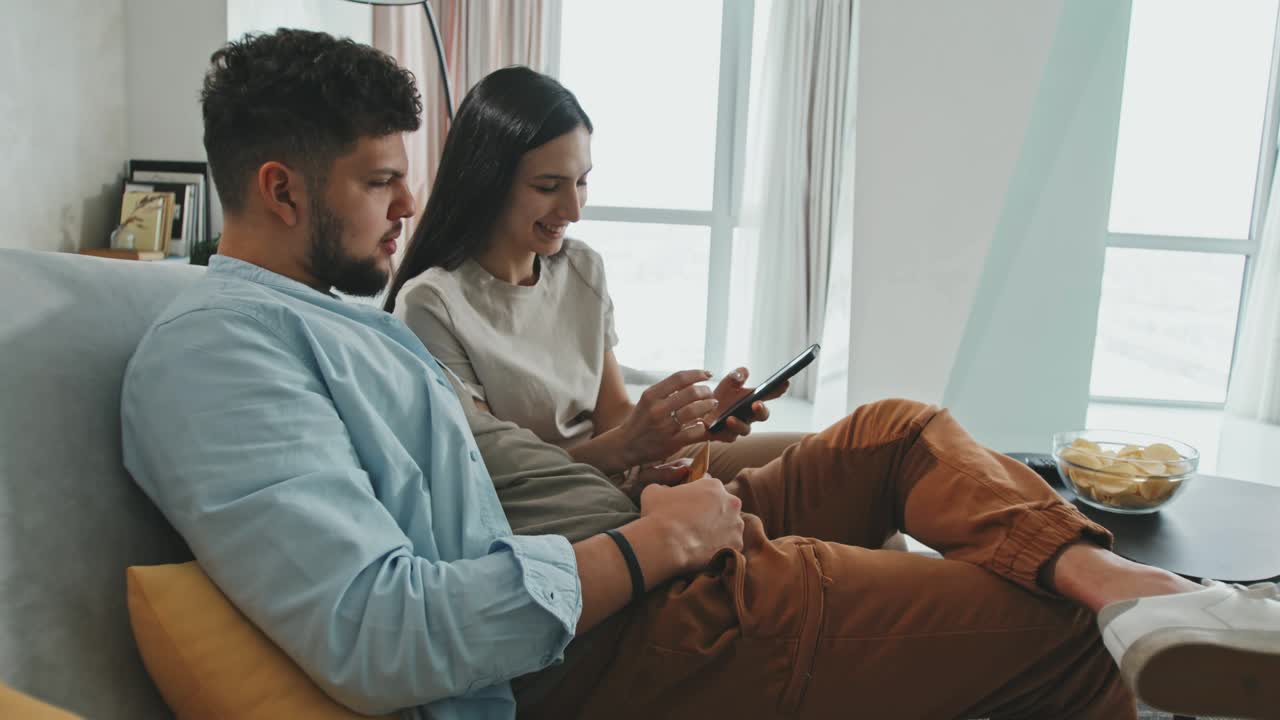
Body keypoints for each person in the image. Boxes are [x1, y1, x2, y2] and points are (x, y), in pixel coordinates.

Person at [122, 29, 1280, 720]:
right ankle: (1123, 614)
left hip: (643, 550)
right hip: (617, 622)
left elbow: (504, 478)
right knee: (1056, 642)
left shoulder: (330, 324)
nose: (409, 205)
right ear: (279, 188)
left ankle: (1123, 587)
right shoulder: (223, 351)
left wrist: (659, 490)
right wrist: (653, 542)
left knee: (888, 430)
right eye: (381, 182)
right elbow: (380, 631)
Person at [383, 66, 795, 498]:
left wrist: (696, 422)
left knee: (844, 446)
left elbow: (614, 412)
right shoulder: (432, 305)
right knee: (801, 491)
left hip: (620, 475)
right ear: (487, 180)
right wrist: (627, 454)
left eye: (582, 182)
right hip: (558, 503)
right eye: (548, 186)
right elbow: (493, 478)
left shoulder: (580, 266)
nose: (574, 210)